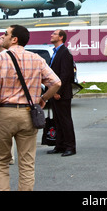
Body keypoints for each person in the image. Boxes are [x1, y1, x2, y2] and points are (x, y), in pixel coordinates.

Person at [0, 25, 61, 191]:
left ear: (14, 39)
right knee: (26, 163)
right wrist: (43, 98)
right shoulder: (37, 59)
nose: (4, 36)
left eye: (6, 34)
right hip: (28, 114)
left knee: (1, 162)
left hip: (5, 113)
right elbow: (56, 82)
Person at [46, 29, 77, 157]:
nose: (51, 35)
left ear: (61, 37)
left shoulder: (65, 53)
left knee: (65, 120)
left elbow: (66, 75)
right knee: (57, 120)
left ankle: (70, 147)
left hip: (61, 93)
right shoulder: (55, 52)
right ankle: (59, 145)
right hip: (54, 92)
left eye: (54, 34)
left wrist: (57, 91)